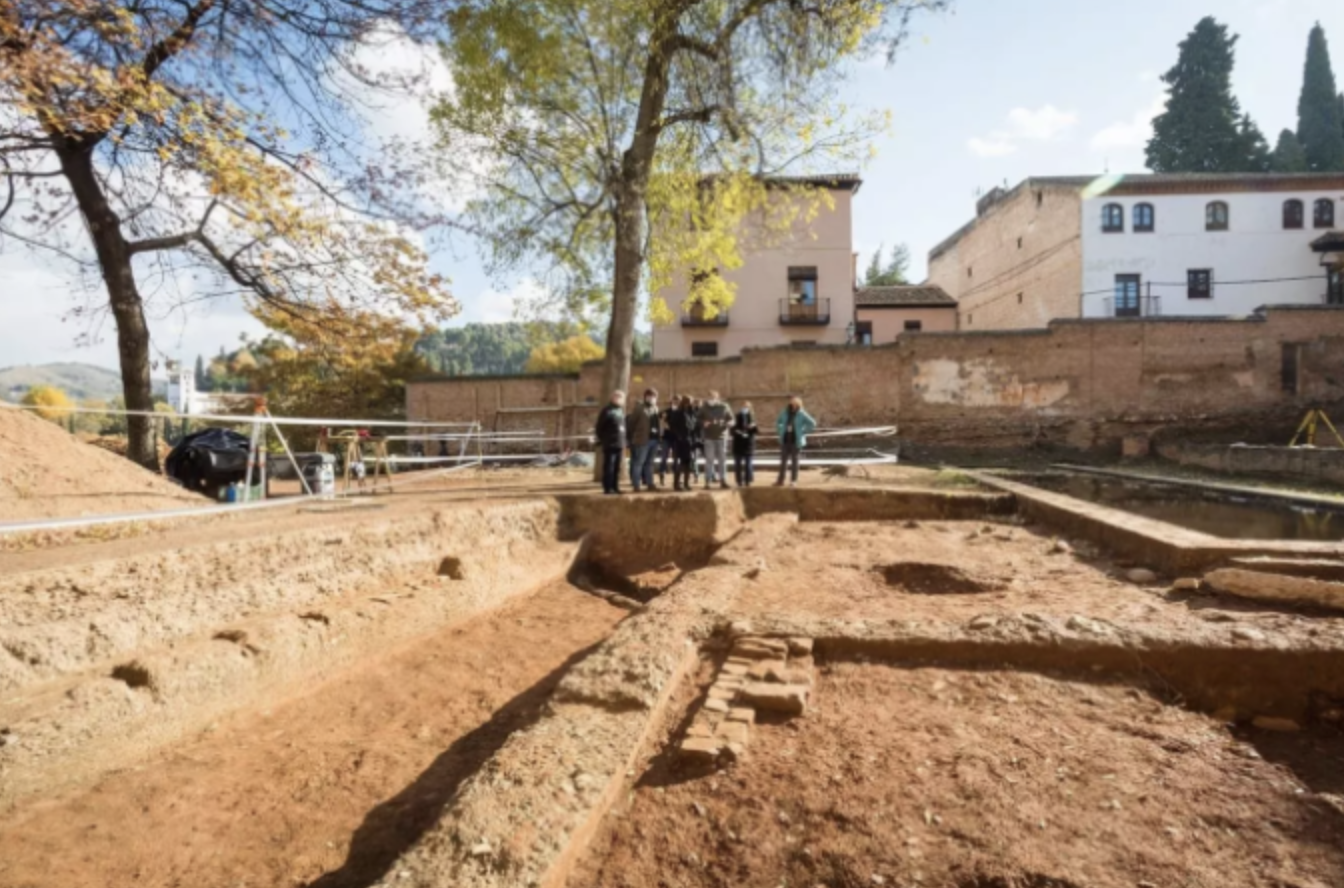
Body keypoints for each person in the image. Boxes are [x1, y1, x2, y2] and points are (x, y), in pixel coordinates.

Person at [774, 395, 816, 487]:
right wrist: (780, 429)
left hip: (795, 441)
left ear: (798, 404)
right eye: (791, 401)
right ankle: (780, 481)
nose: (792, 403)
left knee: (794, 462)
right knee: (783, 462)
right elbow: (778, 422)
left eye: (794, 402)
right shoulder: (785, 412)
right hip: (785, 440)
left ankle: (793, 481)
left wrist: (803, 431)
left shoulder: (802, 413)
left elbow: (812, 423)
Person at [626, 388, 662, 492]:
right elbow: (631, 423)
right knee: (638, 463)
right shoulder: (639, 408)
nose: (652, 398)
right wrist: (633, 437)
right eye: (649, 396)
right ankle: (636, 485)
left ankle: (650, 484)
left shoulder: (656, 408)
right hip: (642, 440)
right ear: (645, 397)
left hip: (654, 440)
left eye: (654, 396)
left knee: (650, 463)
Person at [697, 390, 733, 490]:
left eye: (713, 397)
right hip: (709, 438)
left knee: (722, 460)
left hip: (721, 437)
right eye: (710, 397)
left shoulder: (724, 406)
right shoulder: (704, 408)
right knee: (709, 460)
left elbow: (731, 419)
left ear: (717, 397)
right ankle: (707, 482)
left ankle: (723, 480)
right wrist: (703, 423)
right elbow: (697, 419)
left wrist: (729, 423)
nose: (711, 399)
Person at [594, 390, 627, 495]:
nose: (620, 399)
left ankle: (615, 487)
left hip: (619, 443)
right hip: (610, 444)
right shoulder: (607, 410)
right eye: (618, 397)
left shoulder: (620, 410)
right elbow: (599, 427)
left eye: (622, 398)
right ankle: (608, 488)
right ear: (613, 398)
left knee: (617, 467)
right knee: (609, 467)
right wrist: (604, 439)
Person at [667, 395, 697, 491]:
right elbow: (672, 425)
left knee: (688, 463)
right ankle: (676, 484)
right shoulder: (678, 413)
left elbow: (693, 426)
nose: (691, 404)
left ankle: (686, 484)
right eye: (689, 402)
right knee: (681, 463)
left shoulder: (691, 413)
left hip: (689, 441)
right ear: (685, 402)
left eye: (691, 402)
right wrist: (679, 436)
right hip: (681, 441)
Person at [731, 401, 759, 487]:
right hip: (738, 444)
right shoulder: (737, 416)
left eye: (747, 407)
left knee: (748, 464)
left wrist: (753, 427)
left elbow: (756, 431)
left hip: (748, 444)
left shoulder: (752, 417)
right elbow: (732, 430)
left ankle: (748, 480)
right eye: (744, 406)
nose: (745, 408)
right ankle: (739, 481)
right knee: (738, 465)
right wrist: (737, 431)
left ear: (750, 408)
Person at [658, 393, 679, 486]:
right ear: (671, 402)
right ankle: (662, 475)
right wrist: (663, 420)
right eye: (674, 400)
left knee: (676, 459)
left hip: (676, 439)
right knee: (664, 457)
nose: (675, 402)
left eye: (677, 401)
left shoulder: (681, 412)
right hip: (666, 438)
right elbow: (660, 415)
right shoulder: (666, 412)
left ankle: (676, 478)